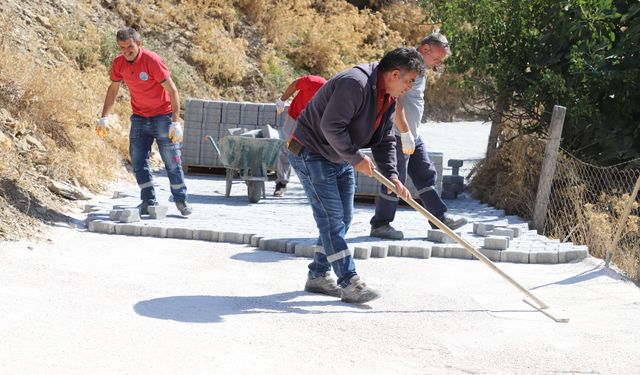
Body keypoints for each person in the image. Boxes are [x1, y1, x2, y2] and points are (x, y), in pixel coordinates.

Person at [288, 47, 425, 304]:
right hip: (312, 152)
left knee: (343, 219)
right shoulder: (355, 83)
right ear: (395, 74)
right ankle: (349, 281)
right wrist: (357, 158)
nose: (409, 88)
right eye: (409, 82)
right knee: (331, 219)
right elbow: (331, 126)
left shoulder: (388, 96)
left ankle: (318, 274)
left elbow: (384, 139)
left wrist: (393, 176)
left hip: (339, 155)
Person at [369, 33, 466, 240]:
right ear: (426, 48)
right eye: (437, 58)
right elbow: (396, 99)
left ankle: (439, 218)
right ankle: (380, 224)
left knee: (425, 173)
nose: (438, 63)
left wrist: (411, 133)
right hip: (396, 134)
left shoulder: (421, 71)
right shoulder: (407, 65)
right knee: (395, 179)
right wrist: (404, 132)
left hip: (412, 134)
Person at [97, 27, 192, 216]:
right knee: (138, 161)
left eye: (129, 47)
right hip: (139, 118)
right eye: (122, 48)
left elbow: (173, 90)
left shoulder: (152, 61)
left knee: (171, 161)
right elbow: (113, 89)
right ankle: (148, 200)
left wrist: (175, 121)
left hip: (163, 118)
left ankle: (181, 200)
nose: (126, 51)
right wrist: (104, 117)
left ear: (138, 44)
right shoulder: (119, 63)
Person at [273, 75, 327, 197]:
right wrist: (282, 100)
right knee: (286, 148)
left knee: (312, 153)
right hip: (295, 116)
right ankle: (281, 183)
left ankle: (314, 187)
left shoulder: (334, 99)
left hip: (312, 122)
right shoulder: (314, 82)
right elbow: (295, 85)